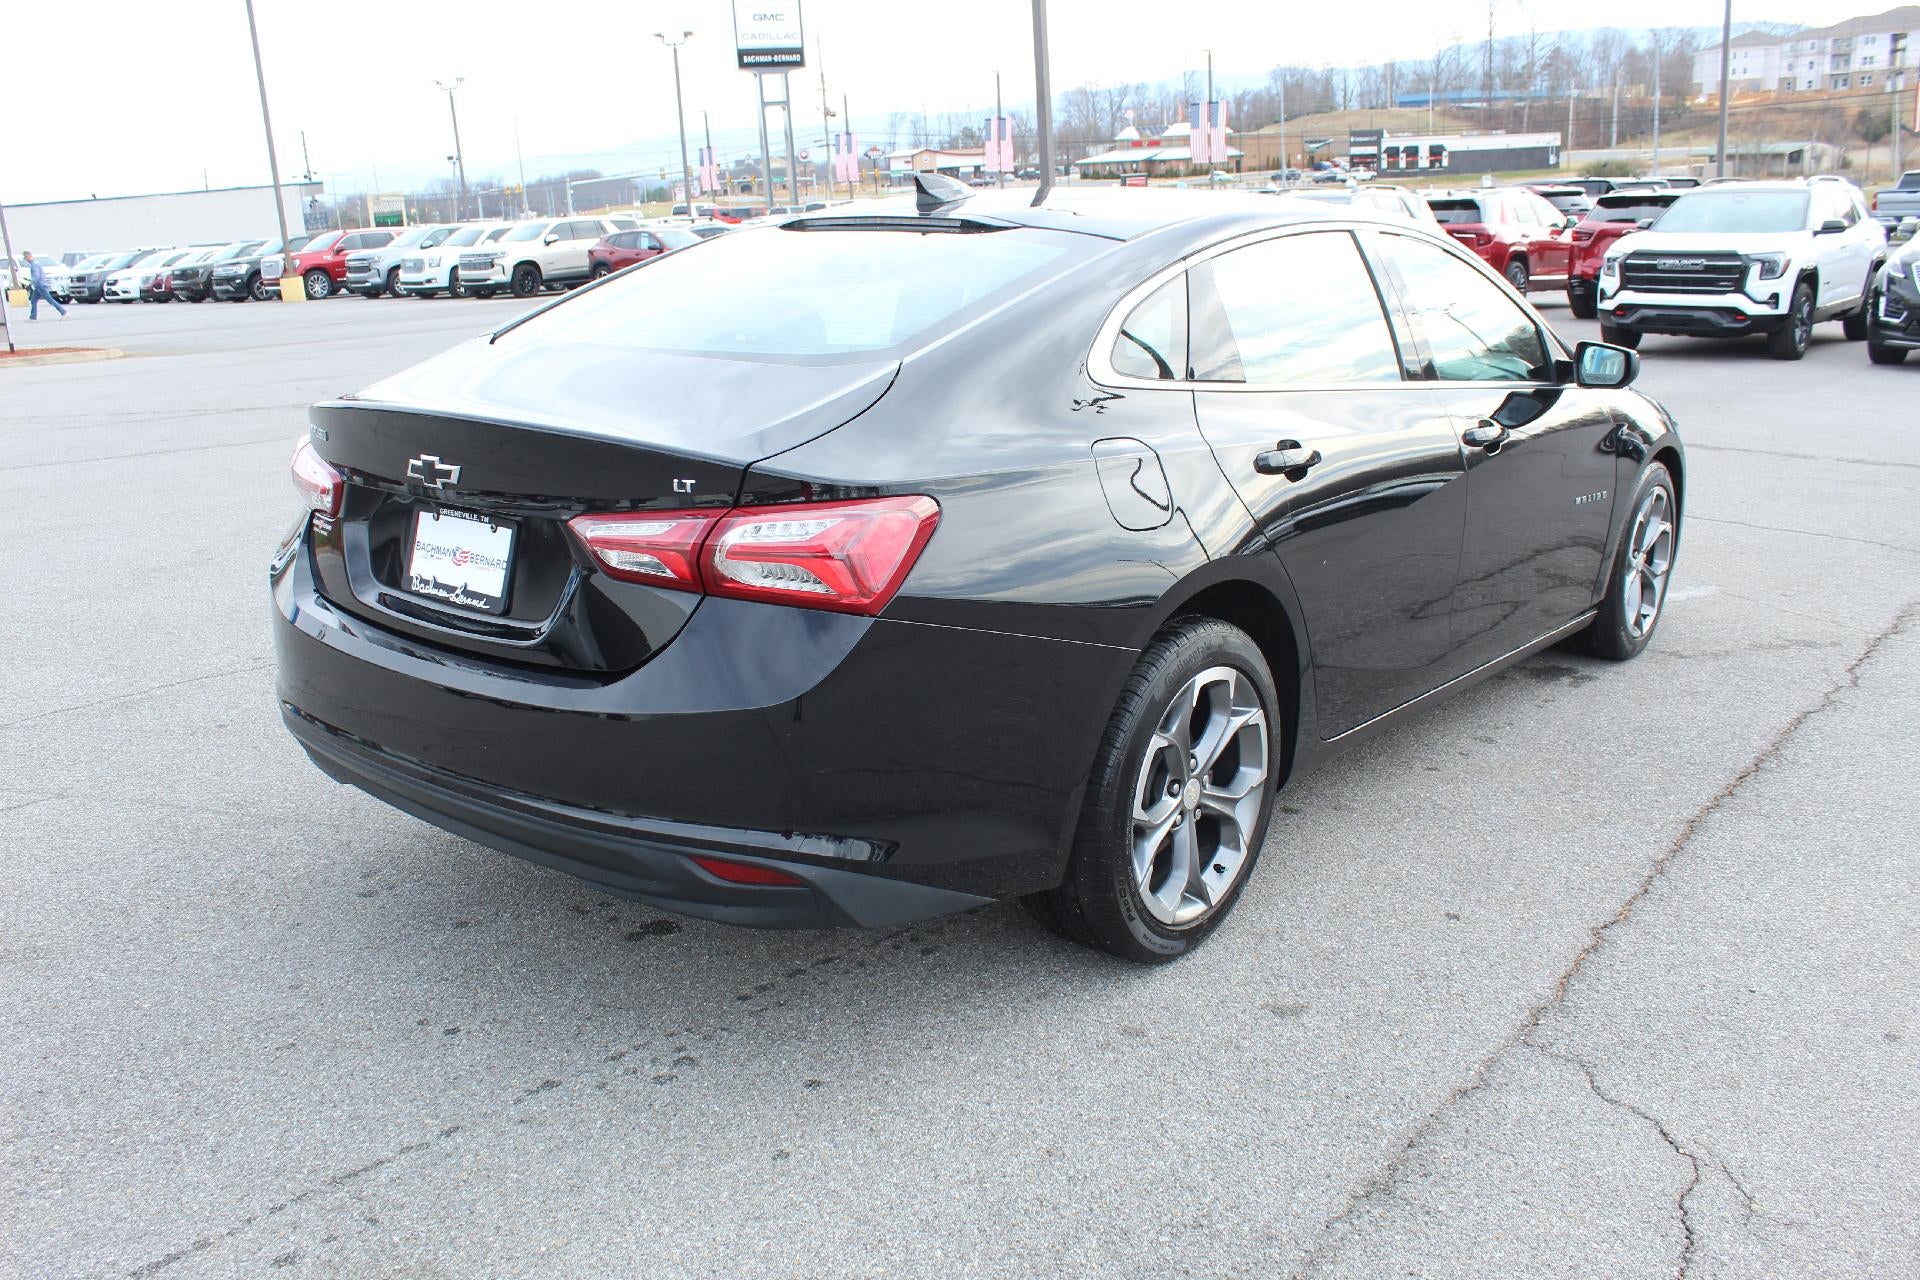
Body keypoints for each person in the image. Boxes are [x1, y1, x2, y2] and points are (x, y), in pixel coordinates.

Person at [24, 251, 66, 319]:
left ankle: (63, 312)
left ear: (28, 256)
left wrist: (30, 284)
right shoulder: (36, 263)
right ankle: (33, 317)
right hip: (39, 286)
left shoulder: (34, 264)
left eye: (25, 258)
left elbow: (36, 276)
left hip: (40, 286)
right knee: (33, 300)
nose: (25, 260)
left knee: (50, 300)